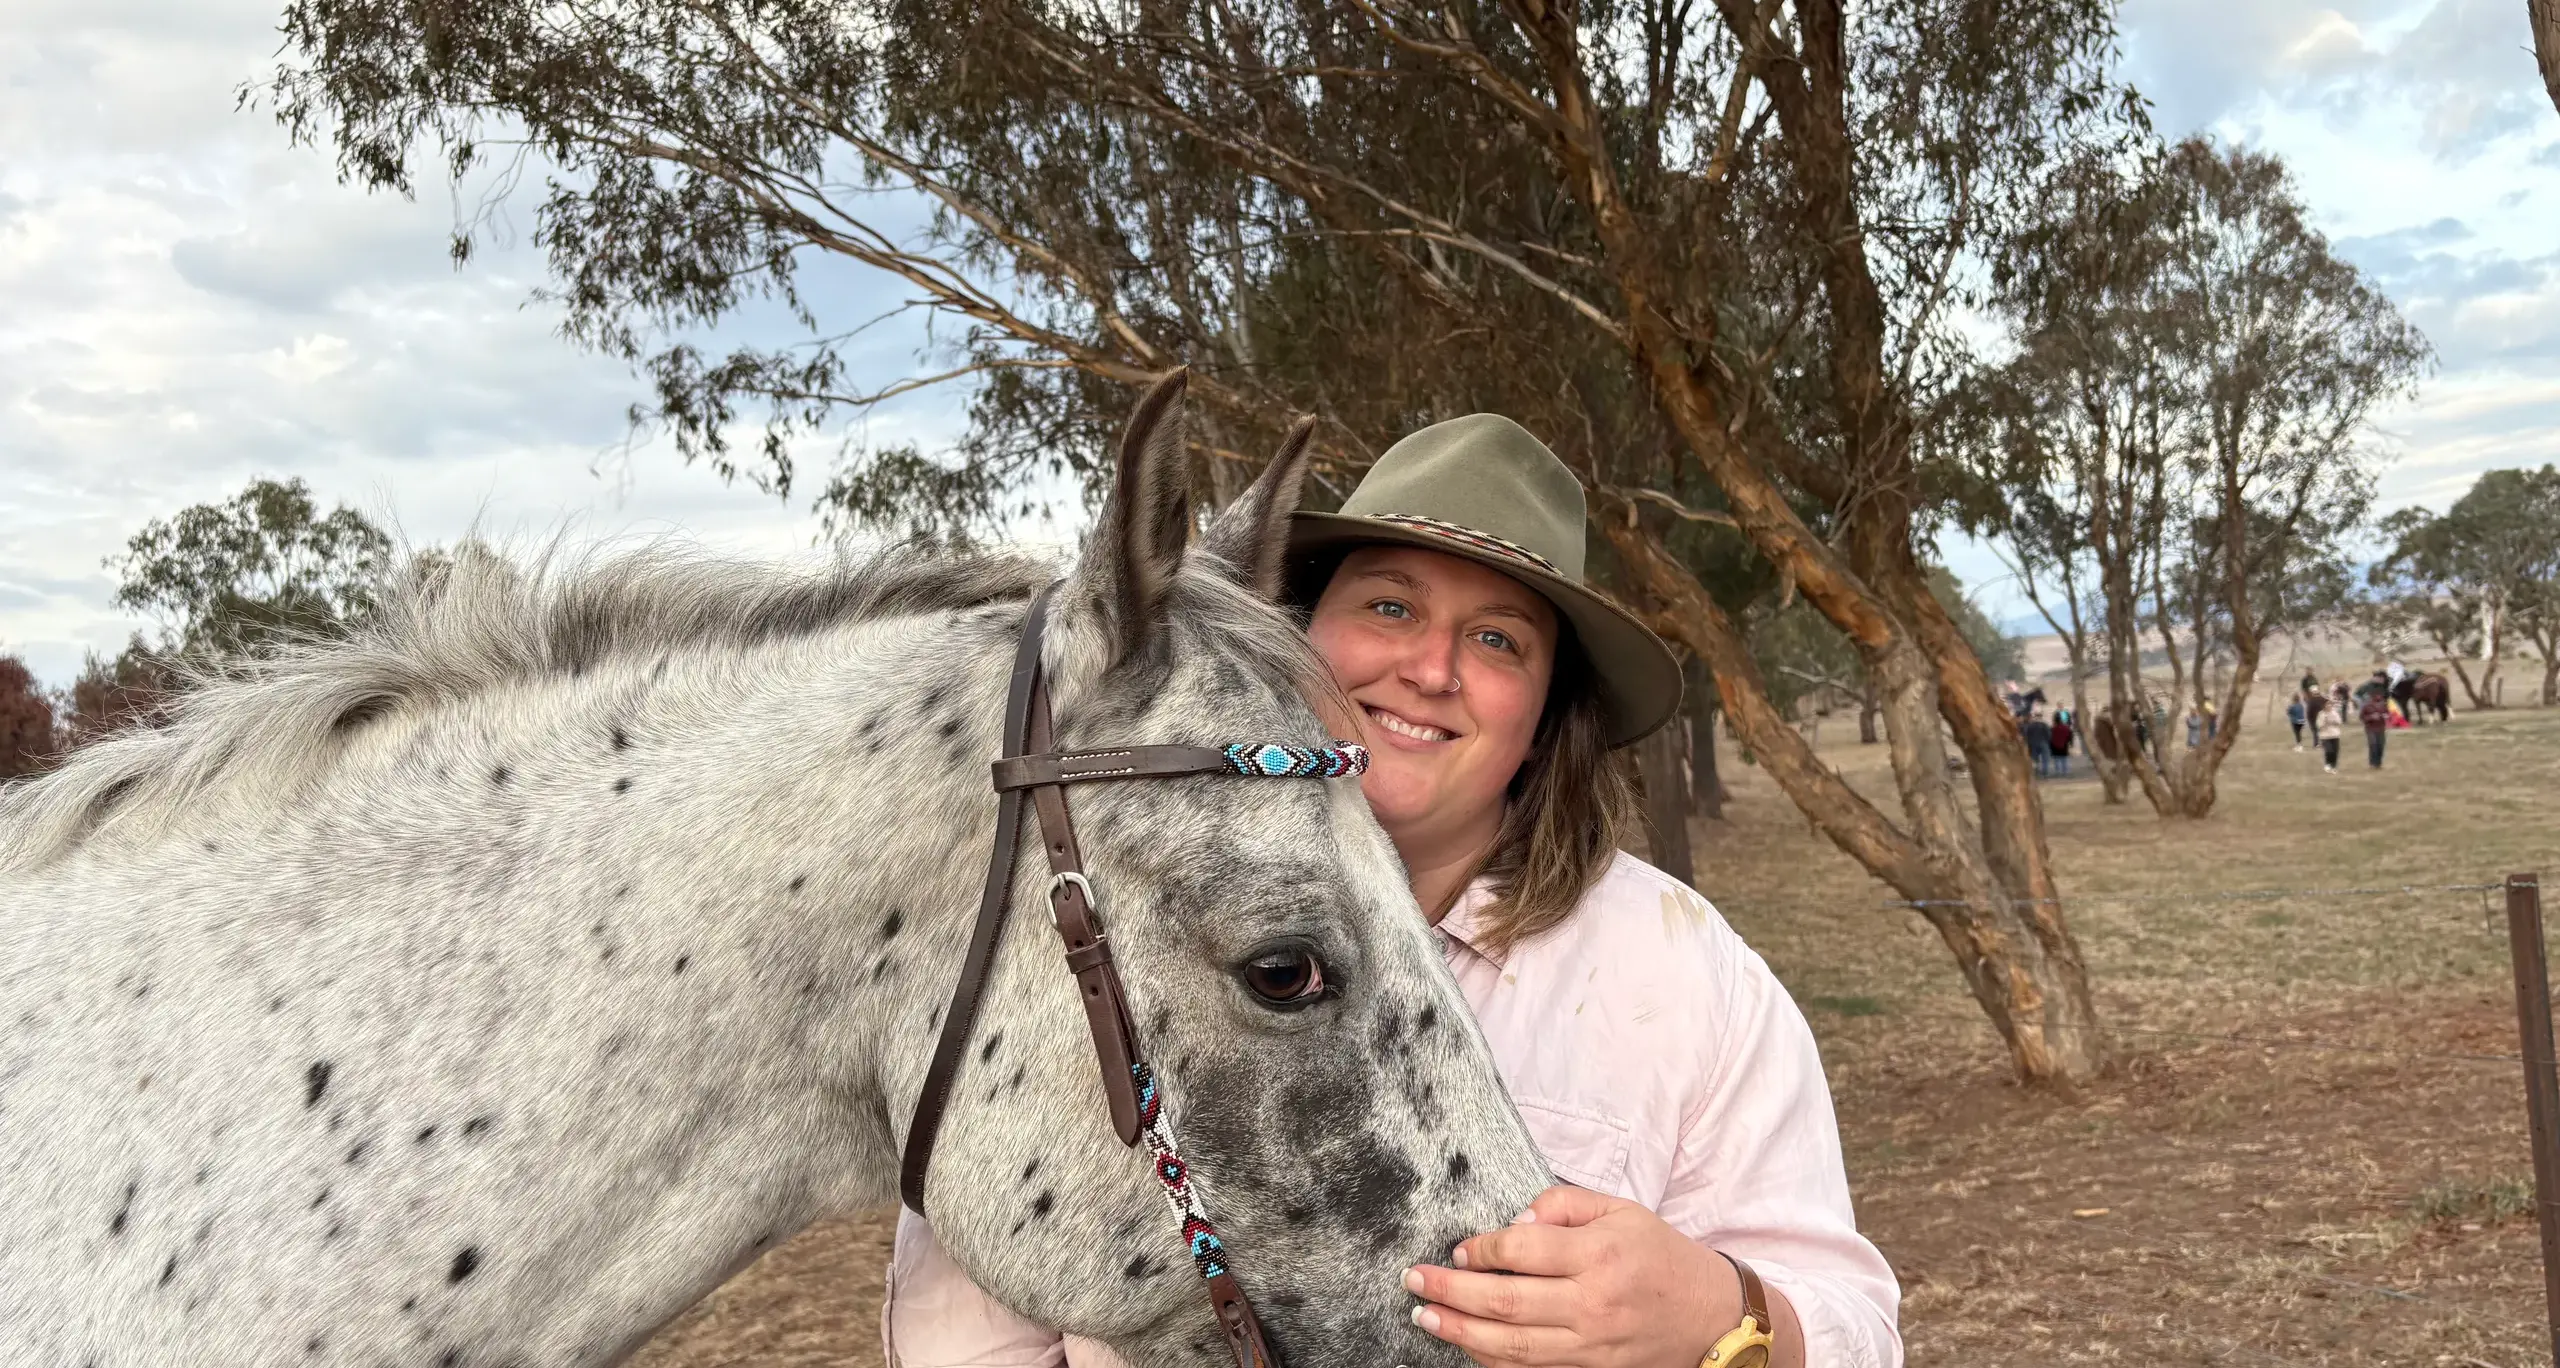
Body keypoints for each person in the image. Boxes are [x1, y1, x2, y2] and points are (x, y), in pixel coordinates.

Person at [885, 416, 1901, 1368]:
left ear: (1548, 714)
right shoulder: (1087, 916)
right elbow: (962, 1317)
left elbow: (1855, 1328)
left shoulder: (1681, 971)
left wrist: (1719, 1313)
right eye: (1388, 605)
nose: (1430, 667)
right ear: (1290, 633)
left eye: (1498, 639)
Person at [2315, 681, 2348, 774]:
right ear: (2324, 706)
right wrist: (2324, 721)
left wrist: (2333, 721)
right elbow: (2319, 725)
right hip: (2325, 735)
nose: (2329, 706)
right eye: (2327, 705)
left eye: (2330, 704)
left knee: (2335, 752)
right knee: (2329, 751)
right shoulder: (2321, 714)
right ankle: (2327, 764)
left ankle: (2334, 766)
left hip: (2335, 734)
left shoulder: (2334, 713)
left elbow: (2339, 722)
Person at [2359, 681, 2392, 769]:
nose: (2379, 697)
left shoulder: (2384, 705)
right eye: (2377, 695)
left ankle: (2379, 763)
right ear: (2372, 696)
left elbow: (2388, 715)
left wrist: (2387, 716)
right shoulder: (2366, 705)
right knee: (2373, 745)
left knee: (2380, 746)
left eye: (2380, 695)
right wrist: (2371, 717)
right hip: (2370, 728)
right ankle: (2372, 763)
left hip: (2381, 728)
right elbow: (2362, 717)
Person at [2023, 704, 2053, 779]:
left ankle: (2036, 772)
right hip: (2043, 742)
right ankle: (2045, 773)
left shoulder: (2030, 725)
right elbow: (2049, 734)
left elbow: (2027, 735)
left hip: (2033, 743)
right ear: (2041, 717)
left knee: (2034, 759)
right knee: (2045, 759)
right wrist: (2048, 741)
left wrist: (2029, 743)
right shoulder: (2044, 725)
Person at [2049, 709, 2074, 777]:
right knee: (2064, 759)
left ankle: (2058, 771)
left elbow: (2050, 737)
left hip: (2054, 745)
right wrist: (2071, 743)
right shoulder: (2066, 728)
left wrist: (2050, 745)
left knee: (2056, 759)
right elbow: (2070, 735)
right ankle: (2065, 771)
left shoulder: (2052, 728)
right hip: (2064, 745)